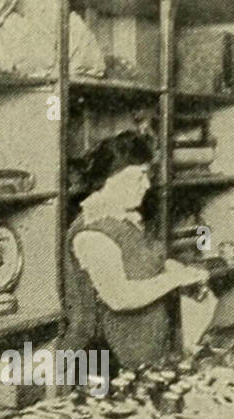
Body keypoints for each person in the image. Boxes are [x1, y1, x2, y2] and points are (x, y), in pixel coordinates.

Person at [63, 131, 208, 371]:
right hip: (103, 359)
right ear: (109, 178)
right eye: (139, 177)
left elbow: (144, 263)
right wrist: (175, 278)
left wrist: (173, 267)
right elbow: (119, 298)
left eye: (148, 176)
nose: (148, 185)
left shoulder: (125, 219)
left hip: (144, 352)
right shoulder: (92, 231)